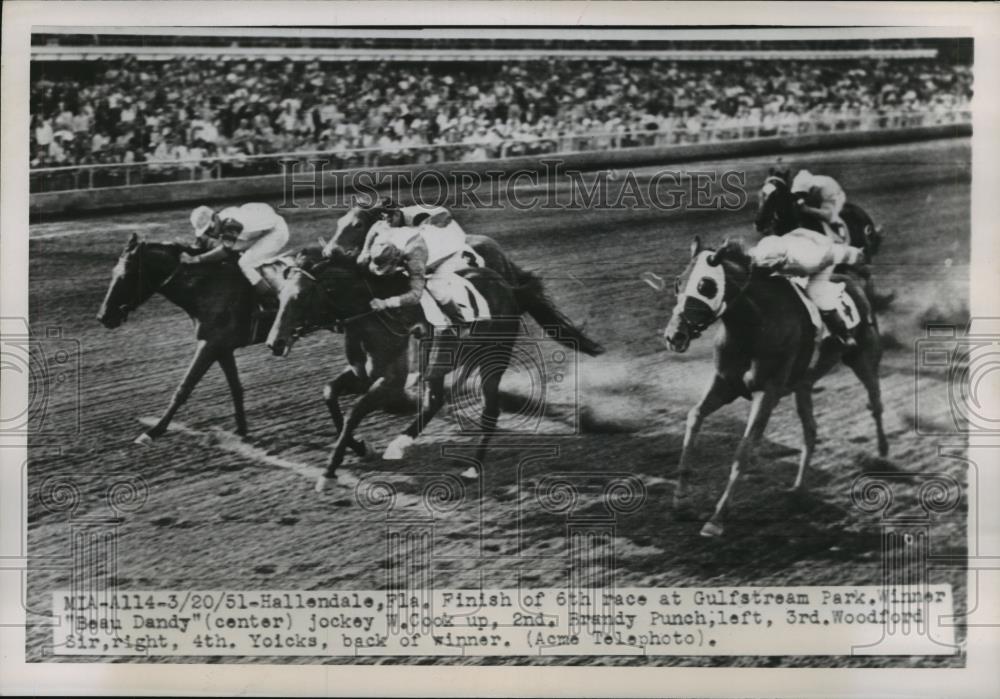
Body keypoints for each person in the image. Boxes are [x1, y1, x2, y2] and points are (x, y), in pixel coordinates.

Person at [354, 206, 485, 328]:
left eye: (388, 267)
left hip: (451, 247)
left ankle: (461, 322)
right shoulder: (384, 235)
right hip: (426, 234)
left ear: (397, 259)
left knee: (435, 287)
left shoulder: (415, 259)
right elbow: (376, 227)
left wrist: (386, 303)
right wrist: (365, 251)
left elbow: (416, 295)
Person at [750, 228, 864, 348]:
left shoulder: (810, 260)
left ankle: (843, 334)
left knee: (814, 291)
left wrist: (855, 254)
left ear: (784, 260)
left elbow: (836, 254)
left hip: (822, 258)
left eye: (776, 265)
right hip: (797, 243)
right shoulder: (762, 253)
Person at [182, 202, 289, 300]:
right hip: (259, 230)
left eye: (209, 229)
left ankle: (273, 299)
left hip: (276, 232)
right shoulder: (221, 218)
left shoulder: (231, 223)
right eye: (206, 232)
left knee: (245, 263)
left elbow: (224, 251)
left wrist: (196, 259)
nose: (210, 234)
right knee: (234, 252)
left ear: (215, 218)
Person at [790, 169, 848, 243]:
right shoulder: (805, 186)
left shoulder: (825, 190)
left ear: (813, 189)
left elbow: (828, 215)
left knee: (832, 219)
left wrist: (807, 209)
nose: (801, 197)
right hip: (818, 197)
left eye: (803, 195)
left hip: (834, 198)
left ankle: (841, 237)